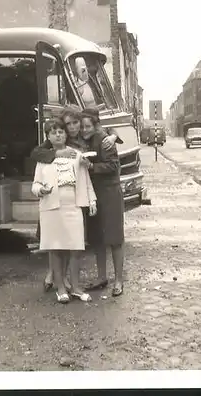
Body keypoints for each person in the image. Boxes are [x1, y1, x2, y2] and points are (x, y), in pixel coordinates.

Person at [31, 105, 123, 291]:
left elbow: (101, 130)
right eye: (68, 124)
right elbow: (36, 153)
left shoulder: (88, 135)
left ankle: (113, 279)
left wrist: (113, 135)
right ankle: (56, 276)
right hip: (68, 195)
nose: (73, 128)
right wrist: (57, 153)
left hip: (97, 190)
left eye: (76, 123)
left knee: (107, 236)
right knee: (62, 236)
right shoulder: (60, 139)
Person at [31, 117, 97, 303]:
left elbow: (86, 180)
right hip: (51, 208)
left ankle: (75, 287)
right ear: (48, 137)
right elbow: (35, 184)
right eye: (54, 132)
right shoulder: (44, 158)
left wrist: (92, 201)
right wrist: (40, 190)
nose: (58, 135)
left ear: (66, 134)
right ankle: (61, 289)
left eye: (61, 131)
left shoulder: (76, 155)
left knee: (76, 248)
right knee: (56, 249)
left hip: (73, 207)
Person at [80, 108, 125, 297]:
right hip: (94, 193)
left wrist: (92, 167)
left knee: (114, 238)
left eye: (87, 126)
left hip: (109, 192)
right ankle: (101, 277)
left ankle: (119, 281)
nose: (83, 129)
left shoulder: (104, 140)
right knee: (97, 237)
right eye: (82, 126)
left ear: (96, 125)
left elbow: (114, 165)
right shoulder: (87, 140)